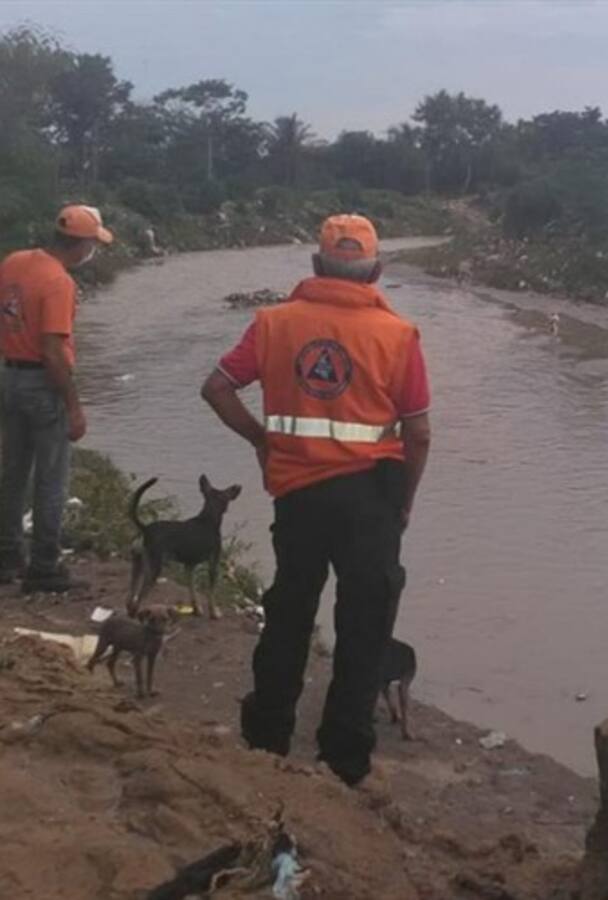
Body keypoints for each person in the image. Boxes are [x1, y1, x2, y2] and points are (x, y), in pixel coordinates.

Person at [201, 214, 432, 786]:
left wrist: (261, 440)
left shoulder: (273, 323)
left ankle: (267, 736)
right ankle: (344, 757)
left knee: (289, 613)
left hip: (297, 496)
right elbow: (419, 433)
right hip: (370, 501)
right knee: (364, 627)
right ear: (376, 270)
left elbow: (216, 388)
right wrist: (403, 502)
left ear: (314, 265)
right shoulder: (399, 336)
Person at [0, 205, 114, 592]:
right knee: (51, 477)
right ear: (81, 245)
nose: (91, 252)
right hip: (42, 384)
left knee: (13, 472)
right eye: (92, 244)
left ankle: (8, 555)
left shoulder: (14, 262)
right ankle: (45, 567)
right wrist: (74, 406)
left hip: (9, 377)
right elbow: (52, 351)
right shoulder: (59, 283)